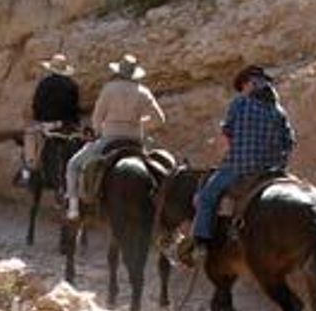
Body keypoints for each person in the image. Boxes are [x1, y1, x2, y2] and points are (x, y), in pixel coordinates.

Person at [187, 63, 296, 263]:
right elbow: (289, 142)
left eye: (243, 86)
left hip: (240, 167)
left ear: (248, 84)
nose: (242, 90)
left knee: (207, 196)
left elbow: (226, 135)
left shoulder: (240, 103)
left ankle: (200, 243)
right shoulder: (279, 111)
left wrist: (227, 155)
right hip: (272, 171)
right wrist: (278, 164)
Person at [65, 53, 165, 223]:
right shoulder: (143, 91)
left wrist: (98, 131)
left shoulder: (109, 89)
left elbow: (97, 117)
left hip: (110, 138)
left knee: (73, 164)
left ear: (119, 71)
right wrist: (140, 123)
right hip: (135, 141)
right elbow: (160, 119)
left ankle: (73, 208)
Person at [17, 52, 82, 186]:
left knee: (29, 135)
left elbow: (36, 105)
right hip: (68, 125)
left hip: (48, 125)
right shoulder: (73, 85)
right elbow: (75, 107)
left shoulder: (44, 84)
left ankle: (29, 170)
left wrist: (39, 118)